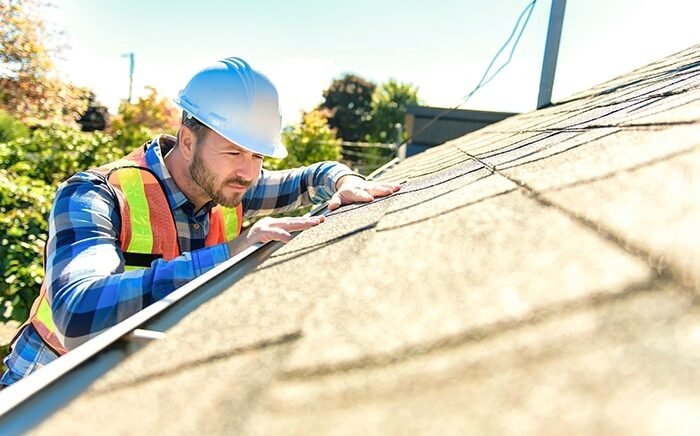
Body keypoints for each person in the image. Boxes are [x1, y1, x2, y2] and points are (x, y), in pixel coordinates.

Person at [0, 57, 400, 386]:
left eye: (259, 156)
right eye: (234, 153)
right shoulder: (94, 195)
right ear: (187, 140)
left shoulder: (231, 187)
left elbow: (312, 176)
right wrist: (232, 255)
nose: (248, 172)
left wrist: (345, 180)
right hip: (42, 388)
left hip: (124, 385)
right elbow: (77, 314)